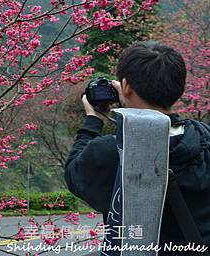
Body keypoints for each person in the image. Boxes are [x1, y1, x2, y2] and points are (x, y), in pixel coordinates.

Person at [64, 41, 210, 255]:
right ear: (179, 88)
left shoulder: (111, 151)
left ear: (125, 86)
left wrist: (92, 121)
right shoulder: (204, 139)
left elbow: (74, 175)